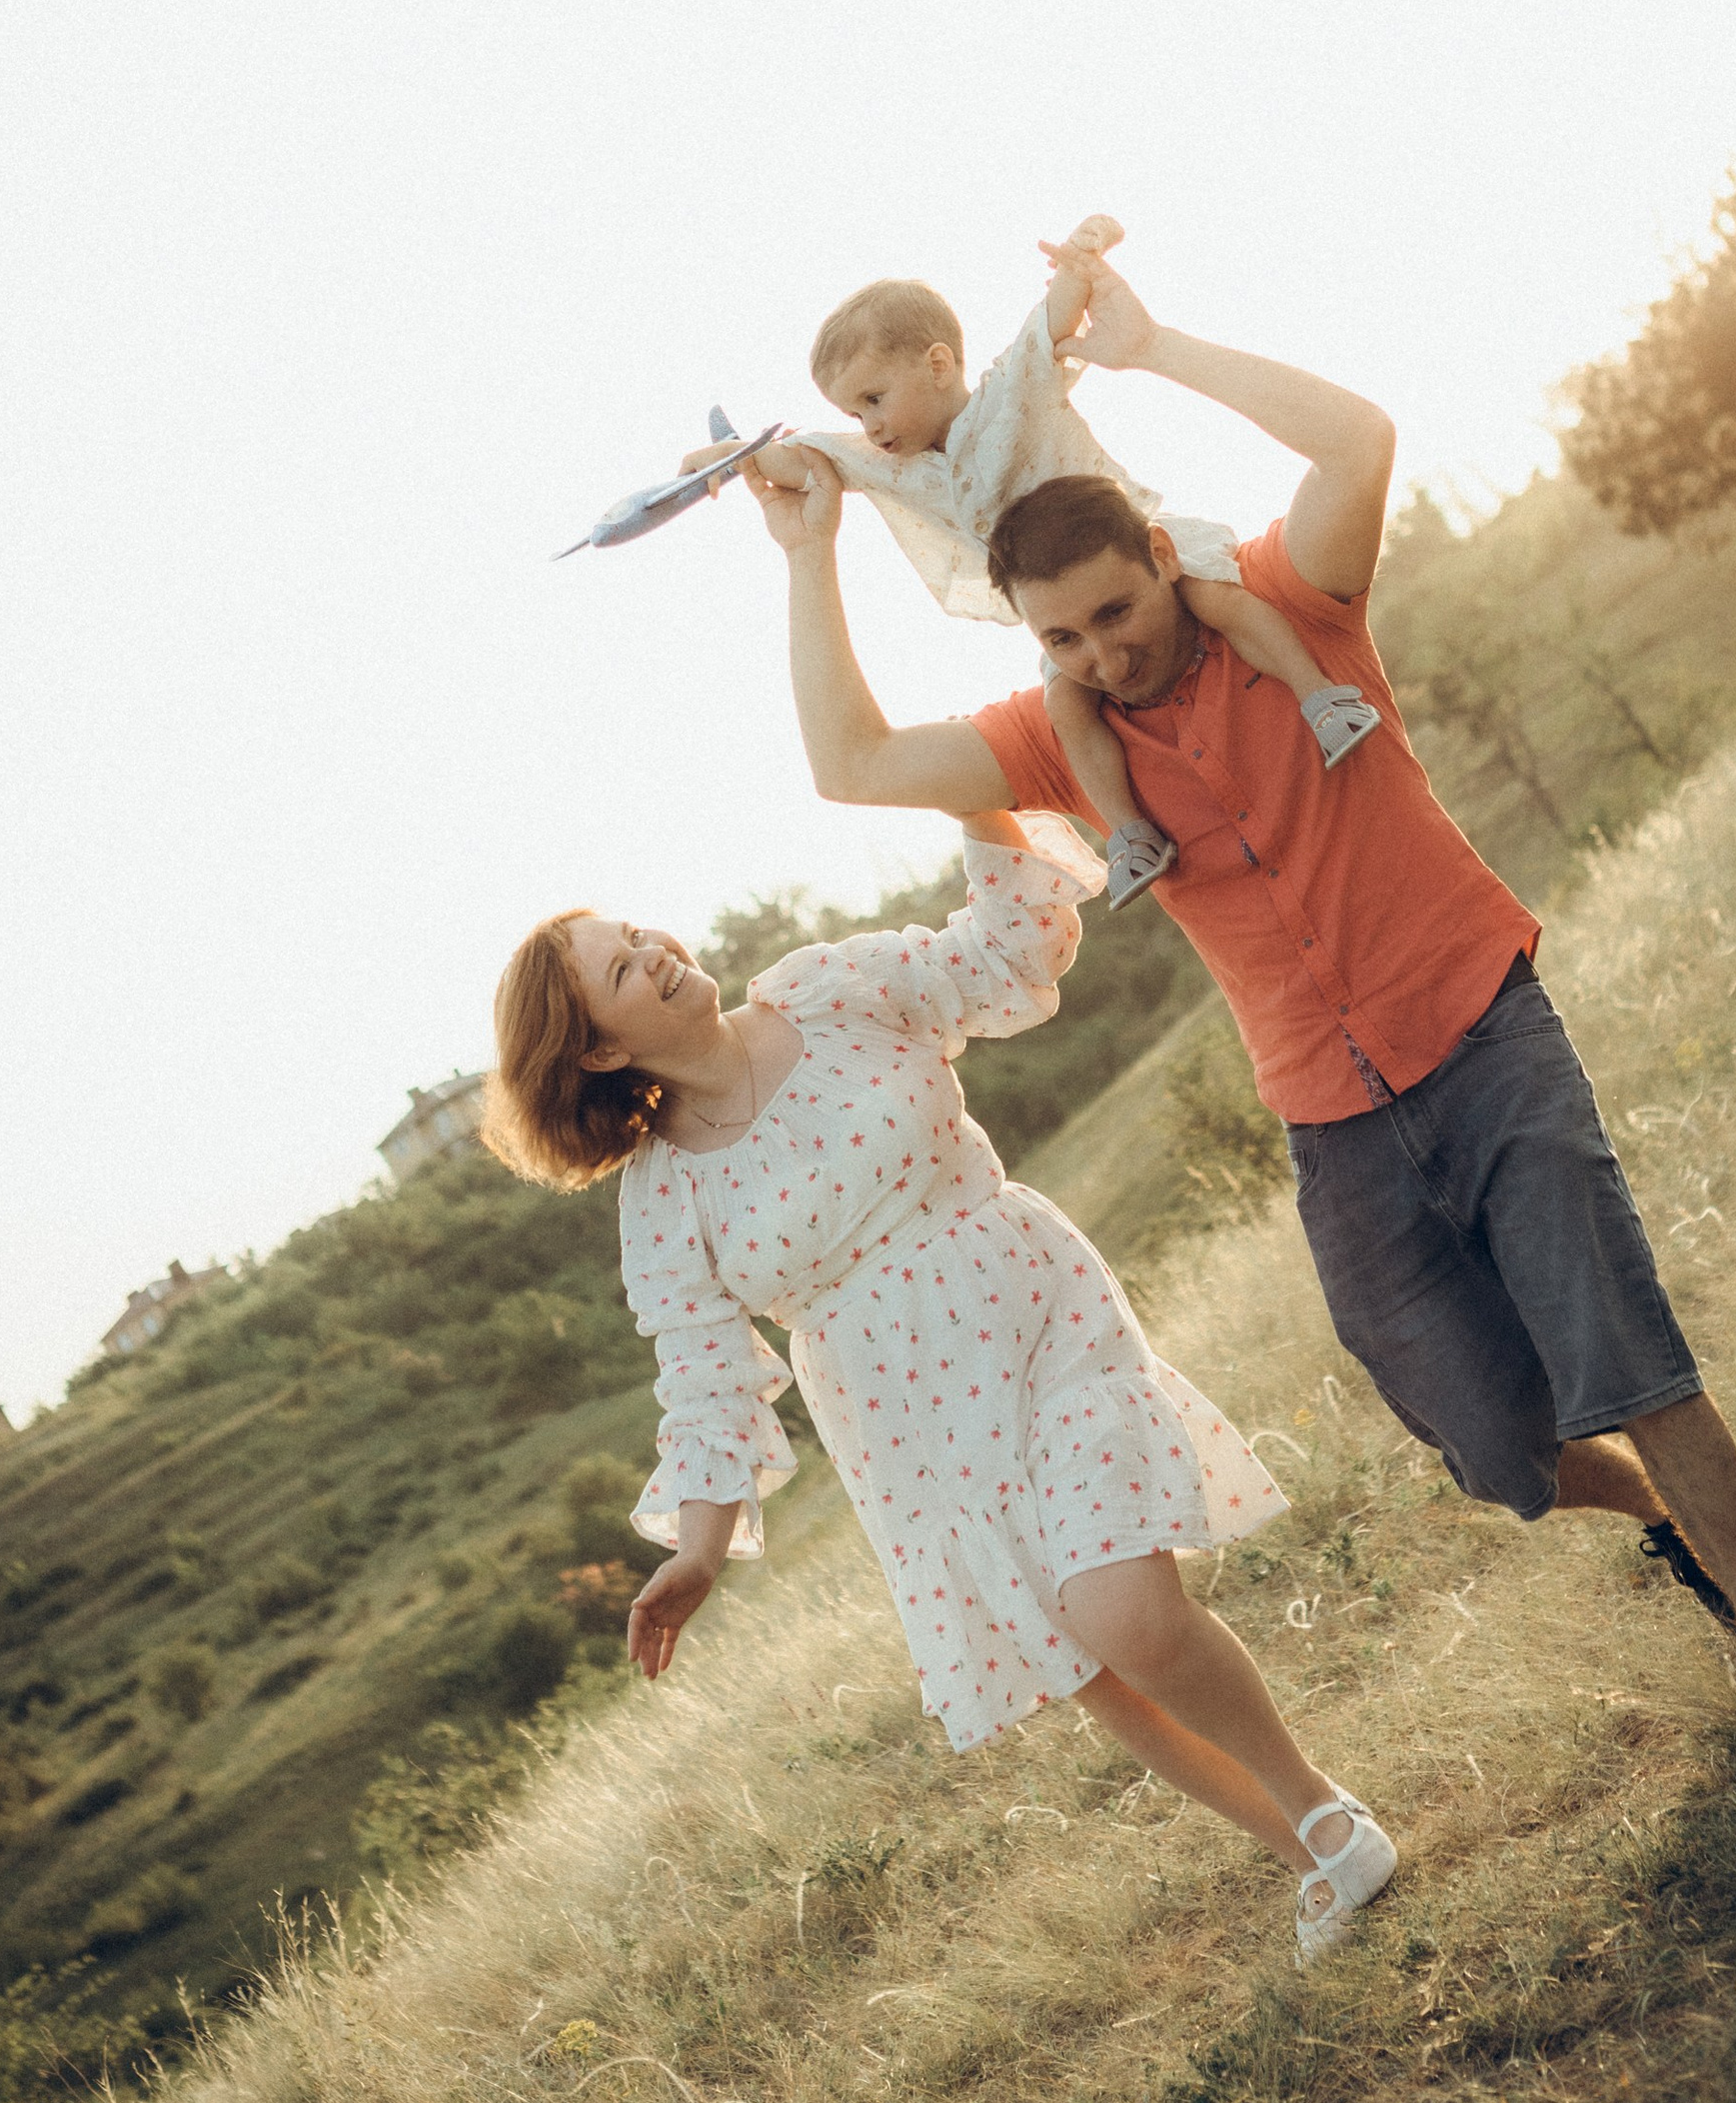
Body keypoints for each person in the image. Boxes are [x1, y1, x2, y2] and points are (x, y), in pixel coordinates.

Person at [738, 246, 1736, 1741]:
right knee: (1498, 1452)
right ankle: (1673, 1526)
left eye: (1117, 615)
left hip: (1484, 1036)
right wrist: (810, 549)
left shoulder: (1291, 607)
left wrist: (1148, 345)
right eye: (1062, 638)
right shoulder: (1056, 732)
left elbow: (1360, 441)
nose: (1102, 653)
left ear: (1156, 555)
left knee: (1629, 1364)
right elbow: (853, 767)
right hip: (1334, 1127)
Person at [480, 806, 1401, 1966]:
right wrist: (700, 1551)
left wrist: (984, 804)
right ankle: (1320, 1853)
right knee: (1090, 1668)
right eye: (624, 967)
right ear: (602, 1050)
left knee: (1124, 1613)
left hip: (1025, 1309)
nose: (658, 950)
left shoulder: (830, 990)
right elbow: (705, 1380)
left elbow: (996, 959)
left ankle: (1318, 1806)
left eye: (639, 931)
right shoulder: (663, 1200)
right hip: (906, 1435)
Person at [707, 214, 1378, 909]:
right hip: (1060, 599)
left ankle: (1320, 696)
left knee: (1218, 597)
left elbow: (1052, 322)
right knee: (1068, 699)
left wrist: (1082, 257)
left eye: (874, 399)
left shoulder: (1010, 392)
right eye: (855, 414)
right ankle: (1131, 834)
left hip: (1125, 544)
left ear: (938, 365)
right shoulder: (892, 465)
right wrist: (725, 466)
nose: (869, 426)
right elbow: (806, 460)